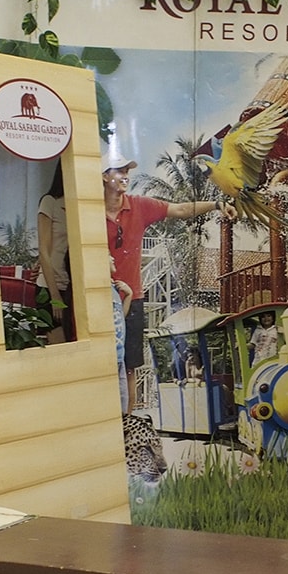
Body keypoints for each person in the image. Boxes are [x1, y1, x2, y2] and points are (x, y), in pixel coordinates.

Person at [103, 148, 230, 413]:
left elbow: (181, 209)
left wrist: (217, 205)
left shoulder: (139, 205)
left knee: (129, 365)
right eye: (119, 170)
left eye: (127, 171)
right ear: (104, 176)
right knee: (102, 364)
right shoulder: (89, 210)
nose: (125, 175)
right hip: (99, 298)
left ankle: (128, 421)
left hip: (132, 298)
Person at [36, 164, 72, 343]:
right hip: (50, 287)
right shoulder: (50, 202)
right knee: (60, 346)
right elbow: (43, 250)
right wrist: (55, 296)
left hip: (72, 287)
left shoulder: (79, 206)